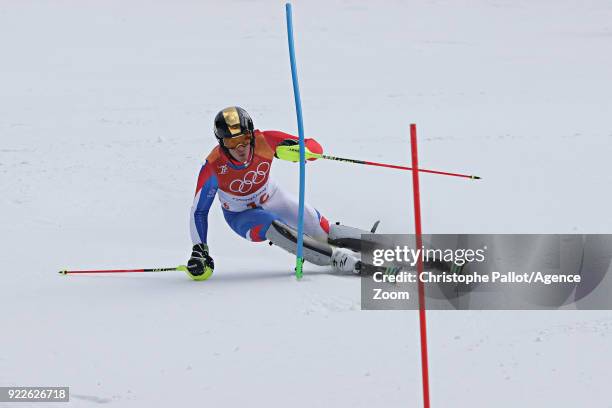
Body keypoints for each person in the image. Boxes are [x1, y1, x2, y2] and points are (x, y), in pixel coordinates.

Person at [185, 106, 373, 280]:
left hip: (273, 197)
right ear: (222, 143)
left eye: (243, 139)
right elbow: (199, 211)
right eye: (231, 141)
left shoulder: (264, 140)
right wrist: (200, 250)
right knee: (270, 222)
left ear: (250, 134)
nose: (239, 147)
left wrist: (301, 150)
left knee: (321, 230)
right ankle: (338, 259)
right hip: (241, 215)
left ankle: (380, 246)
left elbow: (315, 148)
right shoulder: (213, 167)